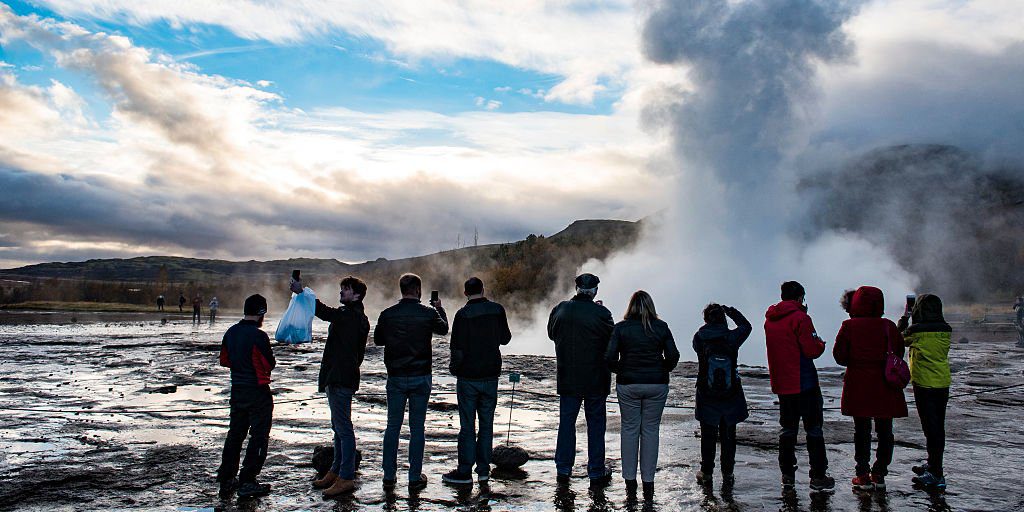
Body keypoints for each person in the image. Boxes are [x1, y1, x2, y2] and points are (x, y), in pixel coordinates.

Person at [292, 275, 372, 497]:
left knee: (343, 428)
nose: (341, 292)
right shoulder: (357, 317)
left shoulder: (350, 316)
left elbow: (326, 312)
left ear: (356, 295)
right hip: (340, 376)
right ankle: (336, 471)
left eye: (345, 289)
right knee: (338, 426)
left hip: (340, 378)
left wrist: (303, 293)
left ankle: (345, 476)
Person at [374, 273, 448, 492]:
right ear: (418, 290)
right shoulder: (428, 313)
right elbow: (444, 329)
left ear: (401, 289)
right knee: (417, 428)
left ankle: (389, 476)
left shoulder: (387, 314)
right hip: (420, 375)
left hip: (396, 376)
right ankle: (414, 477)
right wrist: (439, 308)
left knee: (392, 426)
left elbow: (378, 340)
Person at [606, 290, 679, 499]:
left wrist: (621, 370)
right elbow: (673, 355)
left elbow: (609, 356)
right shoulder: (661, 327)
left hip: (628, 384)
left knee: (629, 429)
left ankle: (630, 481)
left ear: (630, 306)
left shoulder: (621, 328)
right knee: (650, 430)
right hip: (656, 384)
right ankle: (648, 482)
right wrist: (662, 369)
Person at [833, 286, 908, 491]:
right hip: (885, 384)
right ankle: (880, 473)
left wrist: (856, 362)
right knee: (885, 431)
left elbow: (839, 356)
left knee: (862, 430)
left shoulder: (849, 326)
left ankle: (862, 474)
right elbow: (899, 352)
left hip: (859, 384)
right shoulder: (888, 326)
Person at [764, 281, 835, 490]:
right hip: (805, 382)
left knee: (787, 430)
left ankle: (787, 475)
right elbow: (811, 350)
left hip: (783, 383)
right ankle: (818, 476)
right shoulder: (801, 319)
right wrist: (821, 343)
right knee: (813, 430)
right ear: (799, 298)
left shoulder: (770, 320)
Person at [441, 277, 512, 485]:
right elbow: (505, 339)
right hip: (491, 374)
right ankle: (483, 470)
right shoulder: (497, 310)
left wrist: (455, 369)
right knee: (487, 424)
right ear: (483, 289)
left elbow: (457, 348)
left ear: (465, 293)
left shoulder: (462, 314)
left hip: (468, 377)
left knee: (467, 425)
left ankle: (464, 471)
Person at [548, 273, 615, 488]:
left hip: (568, 376)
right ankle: (596, 470)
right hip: (596, 378)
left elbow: (551, 333)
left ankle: (563, 468)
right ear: (595, 290)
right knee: (596, 425)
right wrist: (601, 311)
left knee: (566, 423)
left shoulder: (560, 309)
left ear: (576, 287)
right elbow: (612, 339)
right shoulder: (602, 313)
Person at [216, 294, 276, 499]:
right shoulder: (259, 336)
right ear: (261, 313)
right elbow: (269, 364)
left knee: (235, 434)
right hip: (258, 391)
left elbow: (225, 360)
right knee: (259, 436)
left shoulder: (230, 332)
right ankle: (248, 480)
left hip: (237, 389)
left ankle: (227, 478)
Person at [693, 303, 751, 488]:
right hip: (730, 394)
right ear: (723, 318)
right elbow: (746, 326)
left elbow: (697, 350)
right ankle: (728, 473)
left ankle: (707, 472)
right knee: (728, 435)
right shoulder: (732, 337)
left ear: (706, 319)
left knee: (707, 434)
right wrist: (733, 312)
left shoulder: (700, 337)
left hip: (706, 392)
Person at [898, 293, 952, 490]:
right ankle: (933, 464)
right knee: (938, 426)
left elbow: (898, 339)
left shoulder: (916, 331)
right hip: (942, 383)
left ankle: (936, 474)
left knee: (931, 429)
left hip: (924, 385)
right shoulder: (946, 329)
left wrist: (905, 318)